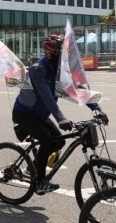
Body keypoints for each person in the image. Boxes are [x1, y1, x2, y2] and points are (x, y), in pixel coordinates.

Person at [12, 34, 108, 195]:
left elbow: (78, 89)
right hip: (25, 113)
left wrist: (96, 109)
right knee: (47, 141)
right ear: (51, 53)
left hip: (40, 115)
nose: (65, 56)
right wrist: (61, 118)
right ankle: (40, 182)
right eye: (62, 53)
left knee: (58, 143)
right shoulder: (38, 70)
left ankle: (33, 168)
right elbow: (47, 97)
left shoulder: (60, 71)